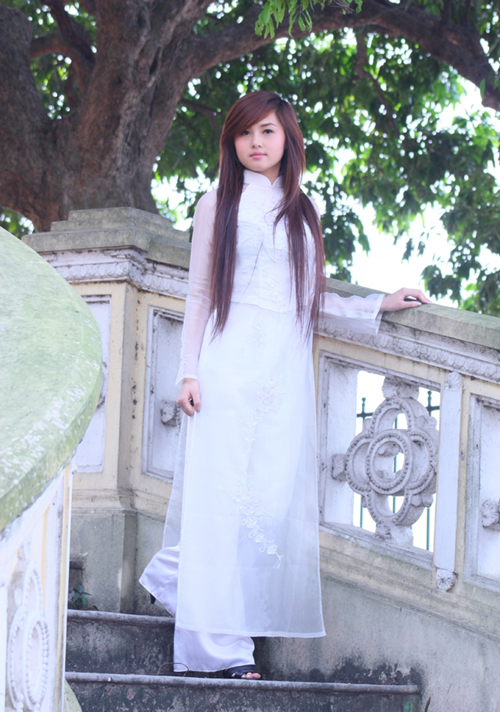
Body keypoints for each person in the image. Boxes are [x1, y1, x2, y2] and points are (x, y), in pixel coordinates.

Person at [139, 91, 430, 680]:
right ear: (232, 141)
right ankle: (219, 650)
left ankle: (175, 577)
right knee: (222, 500)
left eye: (267, 131)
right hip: (226, 366)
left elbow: (309, 299)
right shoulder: (216, 203)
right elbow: (199, 293)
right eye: (245, 132)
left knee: (268, 505)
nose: (256, 142)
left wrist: (378, 302)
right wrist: (188, 371)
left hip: (281, 372)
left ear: (287, 139)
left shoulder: (302, 211)